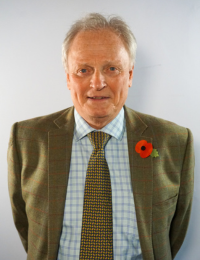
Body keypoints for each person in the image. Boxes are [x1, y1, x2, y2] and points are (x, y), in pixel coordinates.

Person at [8, 13, 194, 260]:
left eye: (112, 68)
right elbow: (29, 231)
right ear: (67, 78)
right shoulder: (27, 139)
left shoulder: (175, 142)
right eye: (83, 70)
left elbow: (172, 236)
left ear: (129, 75)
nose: (97, 83)